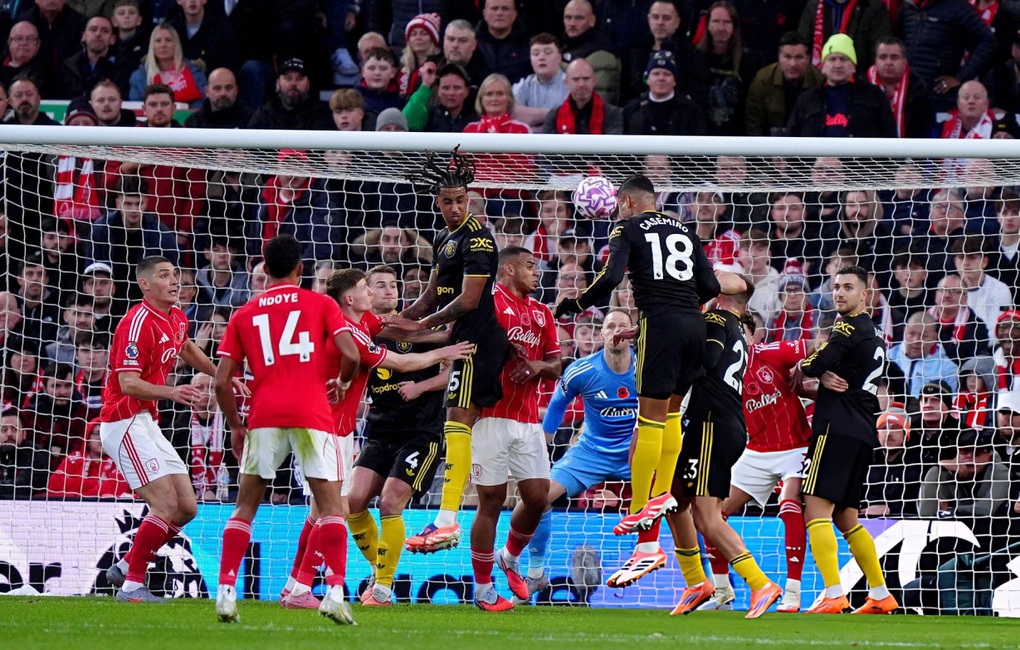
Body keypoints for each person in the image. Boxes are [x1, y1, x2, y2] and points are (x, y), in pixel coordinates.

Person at [553, 174, 745, 559]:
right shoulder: (685, 230)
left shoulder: (626, 226)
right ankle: (658, 498)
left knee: (650, 420)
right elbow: (710, 285)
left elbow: (610, 277)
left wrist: (575, 304)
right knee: (671, 414)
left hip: (658, 325)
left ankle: (642, 504)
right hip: (695, 325)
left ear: (625, 202)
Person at [284, 268, 471, 609]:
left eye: (391, 284)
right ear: (355, 297)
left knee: (366, 504)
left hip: (418, 433)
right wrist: (443, 351)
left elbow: (415, 336)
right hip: (347, 429)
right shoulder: (353, 332)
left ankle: (372, 587)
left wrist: (445, 337)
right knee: (341, 506)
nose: (382, 292)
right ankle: (315, 584)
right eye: (372, 287)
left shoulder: (369, 324)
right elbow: (400, 360)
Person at [212, 235, 358, 624]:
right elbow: (352, 353)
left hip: (264, 415)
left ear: (265, 266)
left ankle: (226, 591)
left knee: (245, 507)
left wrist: (236, 426)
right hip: (312, 413)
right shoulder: (321, 303)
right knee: (330, 508)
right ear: (300, 268)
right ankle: (334, 592)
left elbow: (221, 381)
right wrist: (343, 382)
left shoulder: (244, 313)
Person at [99, 256, 241, 603]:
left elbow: (187, 347)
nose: (175, 280)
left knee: (187, 507)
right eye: (164, 276)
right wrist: (172, 392)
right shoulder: (135, 324)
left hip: (146, 422)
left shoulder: (176, 317)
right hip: (123, 420)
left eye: (176, 274)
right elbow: (128, 382)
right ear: (145, 284)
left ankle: (128, 562)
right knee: (164, 503)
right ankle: (132, 586)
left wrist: (223, 376)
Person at [401, 150, 509, 554]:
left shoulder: (478, 237)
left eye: (460, 199)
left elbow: (467, 300)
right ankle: (448, 519)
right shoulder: (446, 239)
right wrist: (392, 324)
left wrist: (422, 327)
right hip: (462, 339)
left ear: (470, 198)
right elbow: (430, 296)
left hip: (476, 340)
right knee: (460, 427)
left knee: (457, 424)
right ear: (437, 201)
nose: (454, 207)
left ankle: (447, 521)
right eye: (447, 200)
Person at [662, 284, 783, 618]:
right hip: (717, 425)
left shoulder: (717, 318)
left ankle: (760, 584)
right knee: (674, 501)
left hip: (712, 426)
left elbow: (705, 360)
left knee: (707, 515)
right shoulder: (736, 328)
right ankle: (696, 582)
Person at [344, 266, 448, 605]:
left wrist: (422, 386)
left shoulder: (421, 326)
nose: (389, 290)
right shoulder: (361, 332)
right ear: (368, 294)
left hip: (421, 431)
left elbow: (455, 368)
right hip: (379, 429)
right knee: (354, 502)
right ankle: (381, 567)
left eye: (393, 285)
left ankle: (383, 588)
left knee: (390, 502)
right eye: (380, 286)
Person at [797, 265, 898, 614]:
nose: (839, 293)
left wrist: (816, 362)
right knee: (847, 518)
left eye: (848, 287)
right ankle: (881, 593)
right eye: (836, 286)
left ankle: (833, 592)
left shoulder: (846, 326)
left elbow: (811, 365)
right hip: (862, 431)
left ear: (864, 294)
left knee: (814, 509)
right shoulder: (875, 333)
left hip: (834, 430)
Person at [520, 310, 640, 597]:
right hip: (591, 452)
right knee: (536, 498)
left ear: (632, 334)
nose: (616, 331)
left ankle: (704, 580)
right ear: (602, 335)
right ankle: (535, 572)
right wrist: (543, 446)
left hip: (638, 451)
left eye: (623, 326)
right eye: (610, 326)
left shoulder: (648, 368)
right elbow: (557, 405)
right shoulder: (583, 370)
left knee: (686, 503)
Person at [468, 246, 561, 611]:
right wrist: (503, 350)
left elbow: (556, 364)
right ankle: (483, 588)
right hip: (490, 415)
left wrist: (538, 366)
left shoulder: (541, 312)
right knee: (489, 501)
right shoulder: (489, 302)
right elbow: (474, 340)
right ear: (507, 269)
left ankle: (509, 557)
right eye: (529, 266)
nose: (536, 273)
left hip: (528, 419)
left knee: (538, 497)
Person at [700, 326, 812, 613]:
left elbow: (818, 343)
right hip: (755, 451)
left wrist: (810, 370)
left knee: (789, 506)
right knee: (712, 513)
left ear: (753, 337)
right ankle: (723, 593)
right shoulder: (718, 371)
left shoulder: (771, 354)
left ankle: (793, 592)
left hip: (795, 446)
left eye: (740, 334)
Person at [786, 33, 896, 138]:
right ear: (823, 67)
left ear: (853, 66)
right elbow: (791, 144)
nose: (837, 65)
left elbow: (890, 139)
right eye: (832, 59)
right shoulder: (806, 100)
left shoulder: (874, 96)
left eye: (843, 59)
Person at [745, 31, 824, 136]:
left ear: (808, 58)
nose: (793, 64)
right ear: (779, 56)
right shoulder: (763, 79)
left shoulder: (820, 80)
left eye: (799, 57)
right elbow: (753, 122)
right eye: (787, 57)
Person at [865, 37, 935, 138]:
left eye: (894, 57)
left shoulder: (919, 91)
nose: (888, 63)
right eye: (883, 57)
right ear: (875, 61)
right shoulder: (862, 87)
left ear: (904, 62)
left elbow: (922, 131)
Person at [624, 50, 706, 135]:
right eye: (656, 74)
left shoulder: (691, 111)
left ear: (674, 81)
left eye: (667, 74)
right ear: (647, 79)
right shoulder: (633, 109)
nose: (661, 78)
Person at [47, 418, 132, 499]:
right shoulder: (74, 458)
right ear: (87, 439)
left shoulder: (122, 462)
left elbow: (113, 489)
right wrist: (96, 483)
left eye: (108, 434)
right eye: (98, 433)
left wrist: (78, 495)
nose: (103, 438)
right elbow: (54, 484)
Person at [128, 23, 207, 109]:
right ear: (152, 46)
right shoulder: (139, 77)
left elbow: (200, 107)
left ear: (176, 45)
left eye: (168, 40)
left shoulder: (195, 73)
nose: (163, 45)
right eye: (158, 41)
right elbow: (137, 109)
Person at [559, 0, 621, 104]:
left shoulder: (602, 53)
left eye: (579, 18)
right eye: (568, 18)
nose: (572, 23)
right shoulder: (564, 47)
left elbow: (599, 102)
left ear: (592, 20)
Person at [246, 58, 334, 131]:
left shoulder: (321, 114)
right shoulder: (264, 113)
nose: (293, 83)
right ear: (277, 83)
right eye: (288, 78)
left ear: (308, 84)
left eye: (299, 78)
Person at [543, 57, 623, 134]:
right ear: (566, 83)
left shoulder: (613, 114)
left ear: (594, 81)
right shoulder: (554, 116)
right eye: (576, 79)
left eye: (586, 78)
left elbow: (612, 146)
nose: (581, 84)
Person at [513, 33, 568, 127]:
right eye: (536, 54)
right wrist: (557, 113)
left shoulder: (571, 84)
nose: (541, 57)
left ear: (559, 57)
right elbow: (514, 113)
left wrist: (532, 116)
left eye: (548, 52)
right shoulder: (525, 85)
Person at [57, 15, 119, 99]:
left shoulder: (122, 67)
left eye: (105, 31)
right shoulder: (67, 66)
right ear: (84, 36)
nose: (98, 34)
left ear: (112, 39)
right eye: (93, 29)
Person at [184, 68, 253, 129]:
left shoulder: (251, 119)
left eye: (228, 88)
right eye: (217, 88)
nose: (223, 93)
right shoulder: (194, 123)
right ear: (207, 91)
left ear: (236, 90)